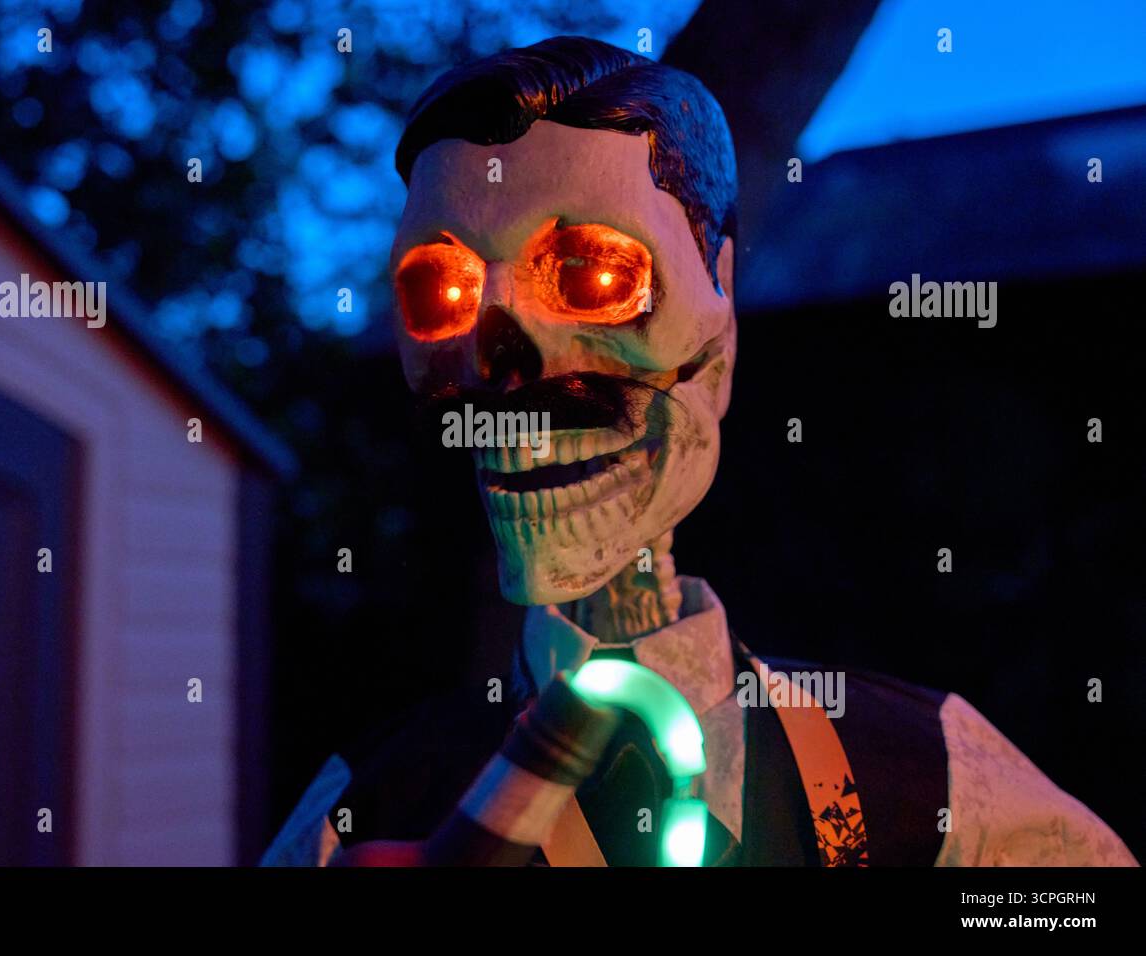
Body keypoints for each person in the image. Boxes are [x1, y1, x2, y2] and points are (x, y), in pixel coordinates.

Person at [263, 36, 1136, 867]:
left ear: (718, 331)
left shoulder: (926, 775)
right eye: (440, 290)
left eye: (590, 273)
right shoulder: (373, 803)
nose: (496, 366)